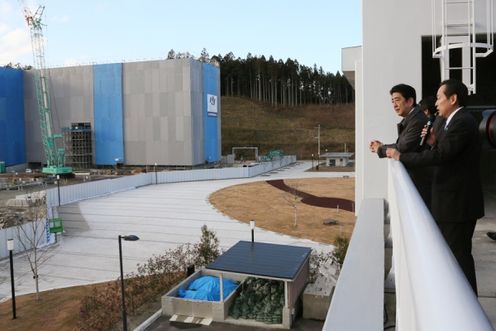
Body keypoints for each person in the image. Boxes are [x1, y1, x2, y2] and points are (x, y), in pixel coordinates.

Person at [386, 79, 484, 294]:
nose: (436, 103)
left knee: (459, 257)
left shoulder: (462, 121)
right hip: (451, 201)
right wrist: (432, 142)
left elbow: (441, 156)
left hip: (458, 203)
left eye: (440, 98)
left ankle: (468, 306)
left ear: (453, 99)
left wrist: (402, 156)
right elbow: (445, 152)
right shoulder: (451, 121)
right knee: (453, 256)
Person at [369, 84, 431, 207]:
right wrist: (383, 146)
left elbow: (403, 147)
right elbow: (400, 144)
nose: (394, 105)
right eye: (392, 101)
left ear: (410, 101)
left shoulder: (417, 120)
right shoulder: (411, 118)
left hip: (420, 180)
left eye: (397, 100)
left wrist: (380, 149)